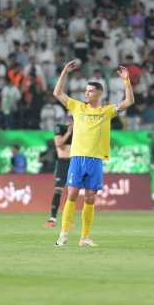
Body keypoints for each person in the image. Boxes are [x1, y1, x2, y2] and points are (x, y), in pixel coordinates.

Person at [53, 60, 135, 247]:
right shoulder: (77, 107)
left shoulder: (106, 111)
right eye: (86, 90)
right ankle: (63, 234)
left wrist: (126, 81)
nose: (86, 93)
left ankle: (84, 237)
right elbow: (57, 93)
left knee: (90, 198)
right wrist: (64, 71)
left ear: (99, 93)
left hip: (96, 159)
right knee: (72, 194)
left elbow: (129, 101)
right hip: (78, 157)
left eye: (90, 90)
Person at [44, 120, 73, 228]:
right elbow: (59, 144)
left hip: (74, 162)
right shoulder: (60, 128)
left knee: (72, 192)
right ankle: (52, 218)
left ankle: (68, 218)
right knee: (58, 190)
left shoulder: (79, 130)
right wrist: (69, 132)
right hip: (62, 163)